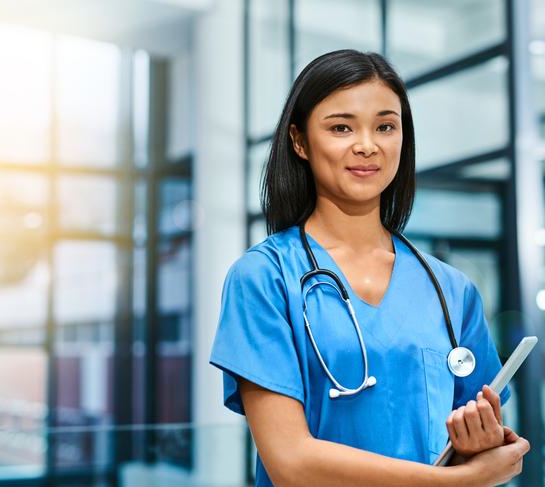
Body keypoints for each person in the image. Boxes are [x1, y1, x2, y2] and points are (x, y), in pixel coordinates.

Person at [209, 49, 530, 486]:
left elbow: (471, 445)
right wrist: (460, 482)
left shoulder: (451, 290)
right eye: (341, 127)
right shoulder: (264, 278)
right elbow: (291, 463)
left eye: (385, 126)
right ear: (299, 141)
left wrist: (478, 446)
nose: (367, 144)